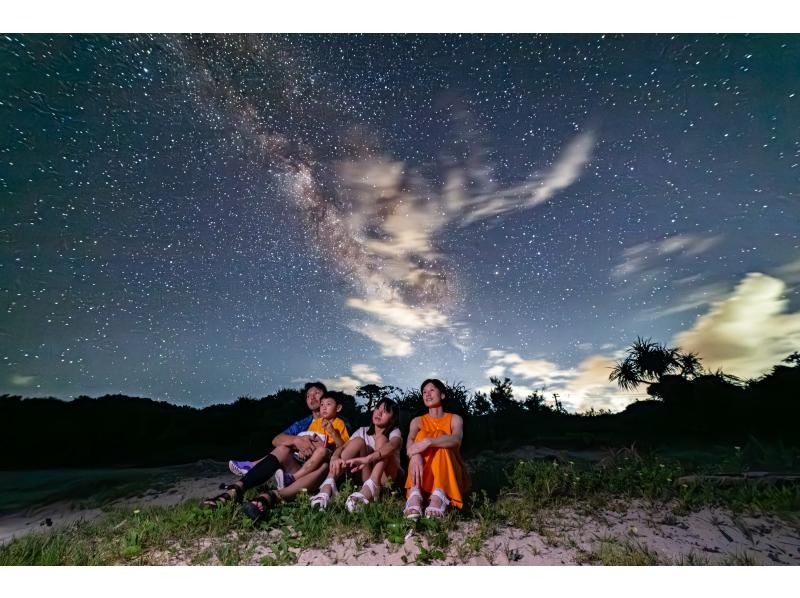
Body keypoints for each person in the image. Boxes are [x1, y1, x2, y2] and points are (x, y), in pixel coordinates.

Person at [202, 382, 331, 520]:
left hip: (320, 473)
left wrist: (319, 449)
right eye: (308, 395)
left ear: (326, 396)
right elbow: (276, 440)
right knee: (282, 449)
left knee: (324, 465)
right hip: (298, 466)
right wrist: (296, 441)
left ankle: (270, 497)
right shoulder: (303, 424)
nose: (312, 397)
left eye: (316, 393)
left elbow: (343, 449)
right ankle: (236, 490)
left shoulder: (337, 421)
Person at [309, 397, 403, 512]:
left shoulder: (395, 432)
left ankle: (373, 487)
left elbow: (393, 445)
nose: (379, 413)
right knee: (358, 441)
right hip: (364, 476)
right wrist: (335, 456)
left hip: (384, 479)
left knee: (382, 440)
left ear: (392, 418)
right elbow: (343, 447)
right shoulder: (363, 431)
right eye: (378, 408)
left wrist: (368, 458)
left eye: (386, 411)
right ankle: (328, 485)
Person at [403, 379, 470, 519]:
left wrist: (429, 442)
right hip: (421, 474)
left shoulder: (455, 419)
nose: (427, 394)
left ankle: (440, 495)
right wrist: (415, 455)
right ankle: (415, 493)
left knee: (440, 436)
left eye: (432, 390)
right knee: (420, 435)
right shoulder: (417, 421)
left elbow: (456, 439)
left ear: (443, 395)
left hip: (451, 474)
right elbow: (409, 444)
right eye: (424, 392)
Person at [272, 392, 350, 489]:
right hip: (312, 454)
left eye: (328, 404)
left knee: (321, 450)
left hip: (329, 455)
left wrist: (333, 432)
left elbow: (343, 446)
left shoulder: (339, 423)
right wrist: (302, 450)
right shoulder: (316, 423)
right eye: (322, 404)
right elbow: (308, 438)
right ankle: (288, 476)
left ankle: (293, 478)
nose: (324, 407)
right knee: (289, 451)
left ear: (338, 408)